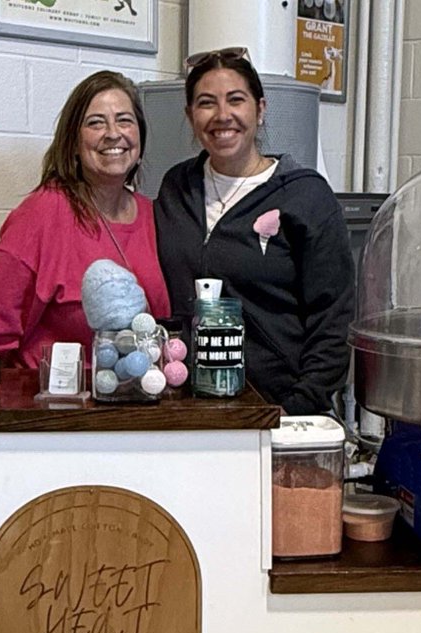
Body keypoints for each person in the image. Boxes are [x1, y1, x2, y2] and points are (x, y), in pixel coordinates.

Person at [155, 48, 354, 414]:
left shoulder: (304, 196)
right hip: (187, 405)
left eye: (236, 100)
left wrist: (299, 406)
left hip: (277, 406)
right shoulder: (176, 188)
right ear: (190, 116)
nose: (222, 115)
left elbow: (334, 317)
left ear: (260, 110)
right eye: (206, 103)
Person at [0, 71, 170, 368]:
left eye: (124, 120)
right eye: (95, 122)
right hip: (61, 406)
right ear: (73, 143)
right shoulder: (43, 213)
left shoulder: (155, 214)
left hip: (142, 399)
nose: (113, 133)